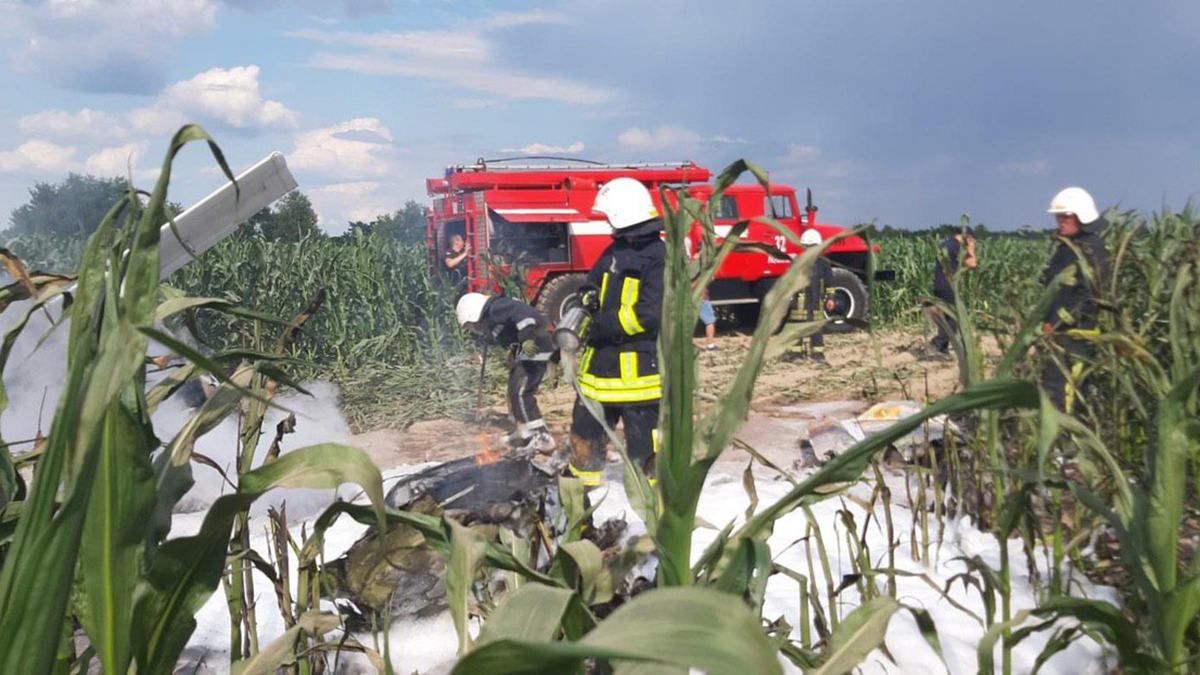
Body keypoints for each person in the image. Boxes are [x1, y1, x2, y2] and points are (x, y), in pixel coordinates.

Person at [568, 177, 665, 487]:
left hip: (637, 373)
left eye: (610, 217)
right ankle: (581, 497)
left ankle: (648, 507)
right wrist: (586, 298)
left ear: (623, 215)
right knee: (585, 434)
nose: (608, 224)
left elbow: (652, 313)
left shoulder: (659, 257)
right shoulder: (615, 250)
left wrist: (602, 324)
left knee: (644, 449)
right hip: (598, 370)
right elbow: (590, 283)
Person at [455, 292, 556, 451]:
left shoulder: (497, 308)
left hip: (535, 347)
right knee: (513, 388)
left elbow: (524, 316)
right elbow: (507, 331)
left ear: (475, 313)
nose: (475, 329)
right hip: (524, 350)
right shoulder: (494, 314)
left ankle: (541, 436)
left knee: (522, 392)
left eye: (473, 325)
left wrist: (526, 339)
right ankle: (523, 430)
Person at [1040, 187, 1110, 413]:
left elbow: (1089, 297)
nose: (1060, 221)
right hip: (1058, 334)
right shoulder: (1067, 248)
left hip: (1076, 335)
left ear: (1082, 216)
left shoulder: (1092, 250)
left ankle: (1067, 441)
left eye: (1066, 216)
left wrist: (1058, 322)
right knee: (1051, 384)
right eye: (1058, 216)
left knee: (1066, 390)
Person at [784, 228, 837, 363]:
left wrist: (830, 298)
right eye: (808, 246)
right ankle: (796, 354)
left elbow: (829, 282)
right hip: (799, 301)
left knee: (816, 327)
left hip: (816, 301)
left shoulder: (824, 264)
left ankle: (818, 355)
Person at [928, 230, 978, 355]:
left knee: (947, 318)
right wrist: (971, 248)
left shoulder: (946, 243)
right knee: (954, 319)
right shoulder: (956, 246)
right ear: (968, 238)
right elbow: (972, 264)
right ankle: (937, 345)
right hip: (947, 286)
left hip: (939, 286)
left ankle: (942, 348)